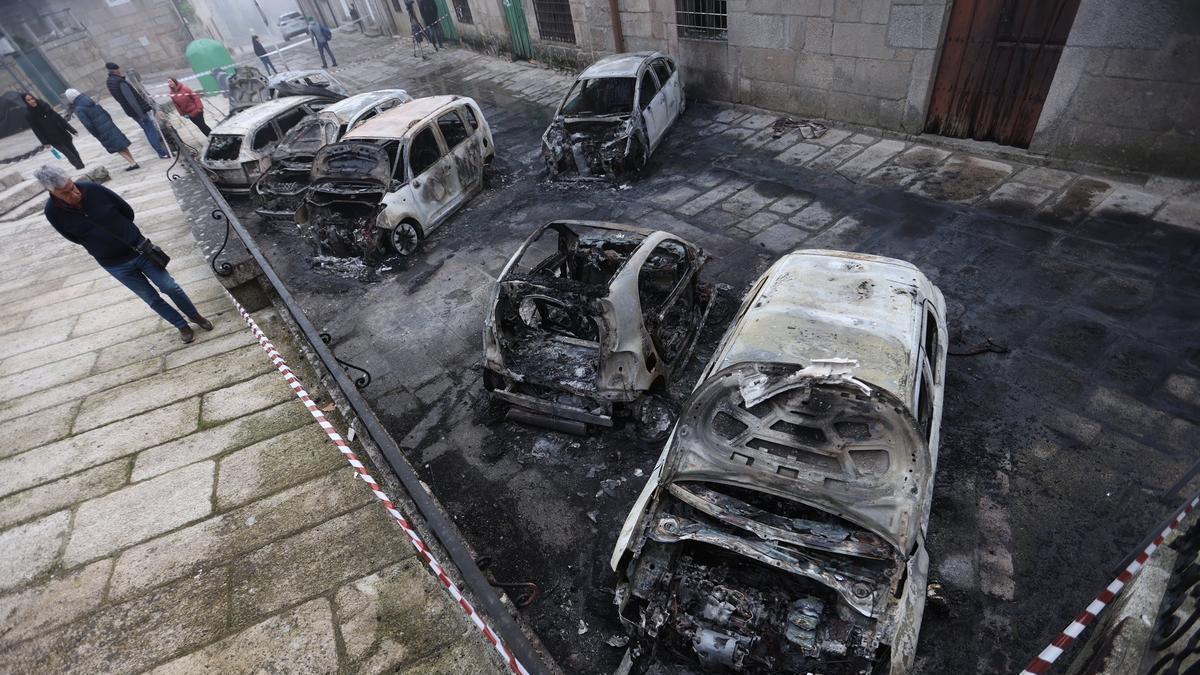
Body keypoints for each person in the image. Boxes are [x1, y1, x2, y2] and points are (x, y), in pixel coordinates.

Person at [35, 165, 213, 343]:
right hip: (114, 264)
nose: (74, 194)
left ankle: (194, 315)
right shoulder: (52, 212)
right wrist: (99, 244)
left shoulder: (94, 189)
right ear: (52, 193)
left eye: (72, 187)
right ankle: (181, 325)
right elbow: (72, 237)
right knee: (150, 298)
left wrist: (125, 234)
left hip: (139, 250)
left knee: (169, 286)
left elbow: (126, 211)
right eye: (65, 193)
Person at [64, 89, 140, 171]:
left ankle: (132, 163)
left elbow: (88, 124)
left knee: (117, 147)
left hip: (100, 130)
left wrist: (95, 134)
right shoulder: (90, 100)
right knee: (121, 145)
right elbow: (105, 112)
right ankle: (133, 162)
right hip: (109, 125)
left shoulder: (79, 108)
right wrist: (109, 122)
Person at [105, 62, 169, 159]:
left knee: (148, 130)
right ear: (115, 70)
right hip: (138, 111)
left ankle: (161, 151)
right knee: (150, 131)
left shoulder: (109, 81)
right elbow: (132, 100)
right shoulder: (120, 82)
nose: (119, 71)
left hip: (131, 111)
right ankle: (162, 152)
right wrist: (141, 114)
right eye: (118, 69)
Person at [23, 94, 85, 170]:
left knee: (74, 152)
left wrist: (72, 130)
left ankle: (82, 166)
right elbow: (36, 130)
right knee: (69, 154)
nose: (32, 101)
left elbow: (59, 118)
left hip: (62, 133)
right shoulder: (29, 114)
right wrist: (45, 142)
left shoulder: (44, 105)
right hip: (52, 139)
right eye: (28, 100)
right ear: (25, 102)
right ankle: (80, 167)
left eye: (32, 98)